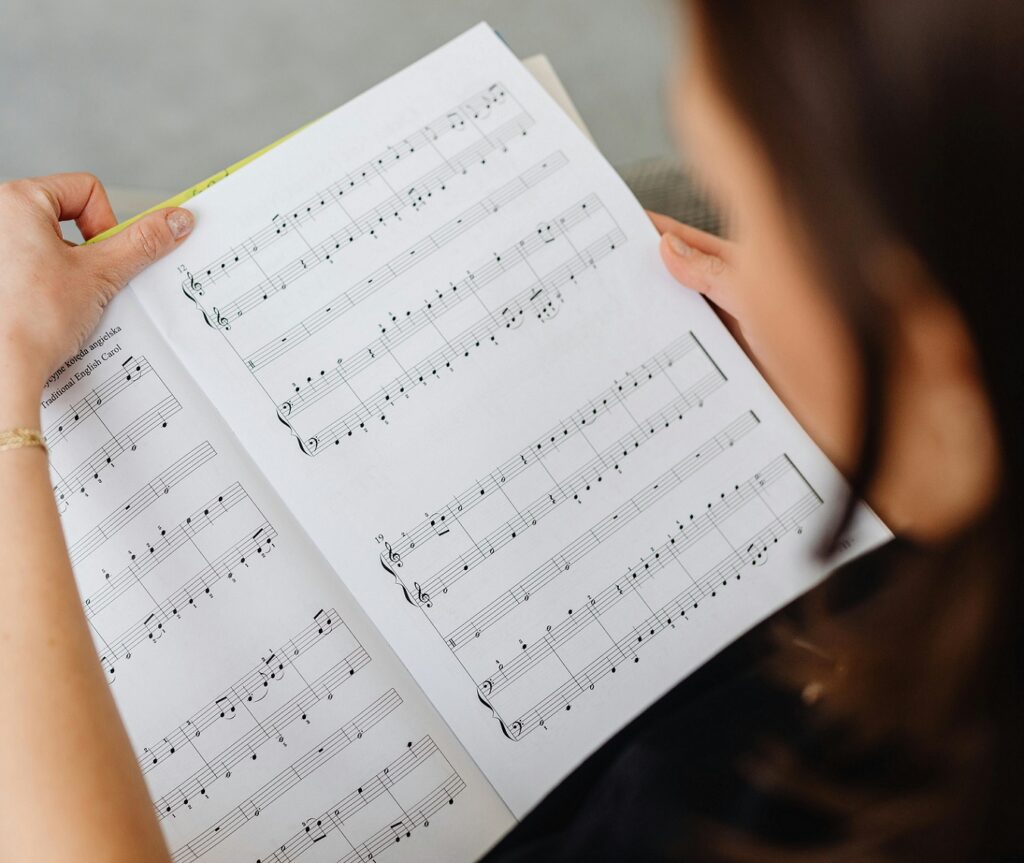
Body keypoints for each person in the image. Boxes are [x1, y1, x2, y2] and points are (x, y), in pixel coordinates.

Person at [0, 1, 1019, 861]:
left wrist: (9, 399)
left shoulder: (770, 803)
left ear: (918, 318)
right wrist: (891, 424)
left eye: (755, 198)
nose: (730, 240)